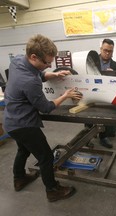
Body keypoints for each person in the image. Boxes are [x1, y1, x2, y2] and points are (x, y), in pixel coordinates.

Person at [3, 34, 82, 202]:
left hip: (11, 121)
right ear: (33, 56)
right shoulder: (30, 82)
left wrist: (52, 74)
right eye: (46, 63)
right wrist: (65, 95)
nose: (48, 66)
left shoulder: (17, 61)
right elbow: (46, 108)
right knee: (45, 156)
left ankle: (19, 179)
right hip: (24, 124)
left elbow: (37, 72)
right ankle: (52, 190)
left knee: (23, 150)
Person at [98, 39, 116, 148]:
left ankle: (103, 137)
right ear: (101, 49)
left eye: (110, 51)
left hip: (107, 94)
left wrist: (114, 76)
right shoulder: (91, 61)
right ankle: (88, 131)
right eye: (105, 50)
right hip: (92, 92)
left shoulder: (115, 66)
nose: (107, 53)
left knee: (106, 114)